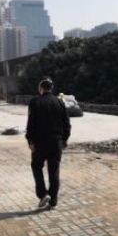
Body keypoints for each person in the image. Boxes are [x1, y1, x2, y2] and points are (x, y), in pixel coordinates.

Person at [26, 79, 71, 210]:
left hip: (40, 143)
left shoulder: (35, 102)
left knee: (36, 166)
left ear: (40, 88)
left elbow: (31, 123)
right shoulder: (60, 102)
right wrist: (64, 140)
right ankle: (53, 201)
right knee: (54, 171)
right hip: (56, 142)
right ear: (51, 88)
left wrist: (30, 140)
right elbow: (67, 124)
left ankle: (43, 194)